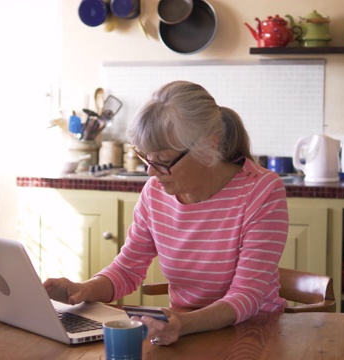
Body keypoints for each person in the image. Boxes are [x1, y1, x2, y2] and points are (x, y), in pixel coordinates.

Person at [43, 80, 289, 346]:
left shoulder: (261, 190)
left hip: (253, 335)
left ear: (209, 146)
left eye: (162, 161)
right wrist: (81, 290)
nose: (150, 172)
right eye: (147, 158)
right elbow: (127, 270)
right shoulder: (155, 192)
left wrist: (183, 323)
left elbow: (247, 295)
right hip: (184, 333)